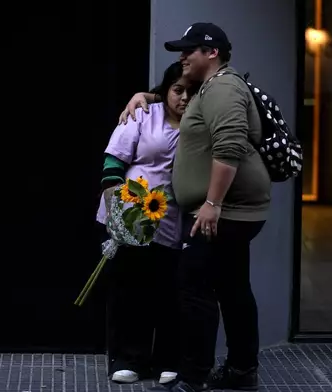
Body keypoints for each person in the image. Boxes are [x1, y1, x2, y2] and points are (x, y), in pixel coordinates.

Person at [119, 23, 271, 392]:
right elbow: (189, 106)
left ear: (212, 52)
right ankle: (240, 370)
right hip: (231, 209)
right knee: (233, 288)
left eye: (189, 50)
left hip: (226, 210)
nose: (182, 56)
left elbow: (230, 145)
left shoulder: (223, 88)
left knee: (194, 286)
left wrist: (212, 203)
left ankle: (193, 377)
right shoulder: (212, 88)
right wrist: (146, 96)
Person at [96, 61, 198, 385]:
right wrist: (116, 214)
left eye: (191, 92)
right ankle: (127, 360)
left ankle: (166, 360)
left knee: (169, 292)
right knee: (128, 290)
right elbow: (114, 160)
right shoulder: (141, 113)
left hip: (171, 219)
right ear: (165, 90)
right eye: (177, 90)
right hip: (129, 213)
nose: (183, 98)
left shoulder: (200, 124)